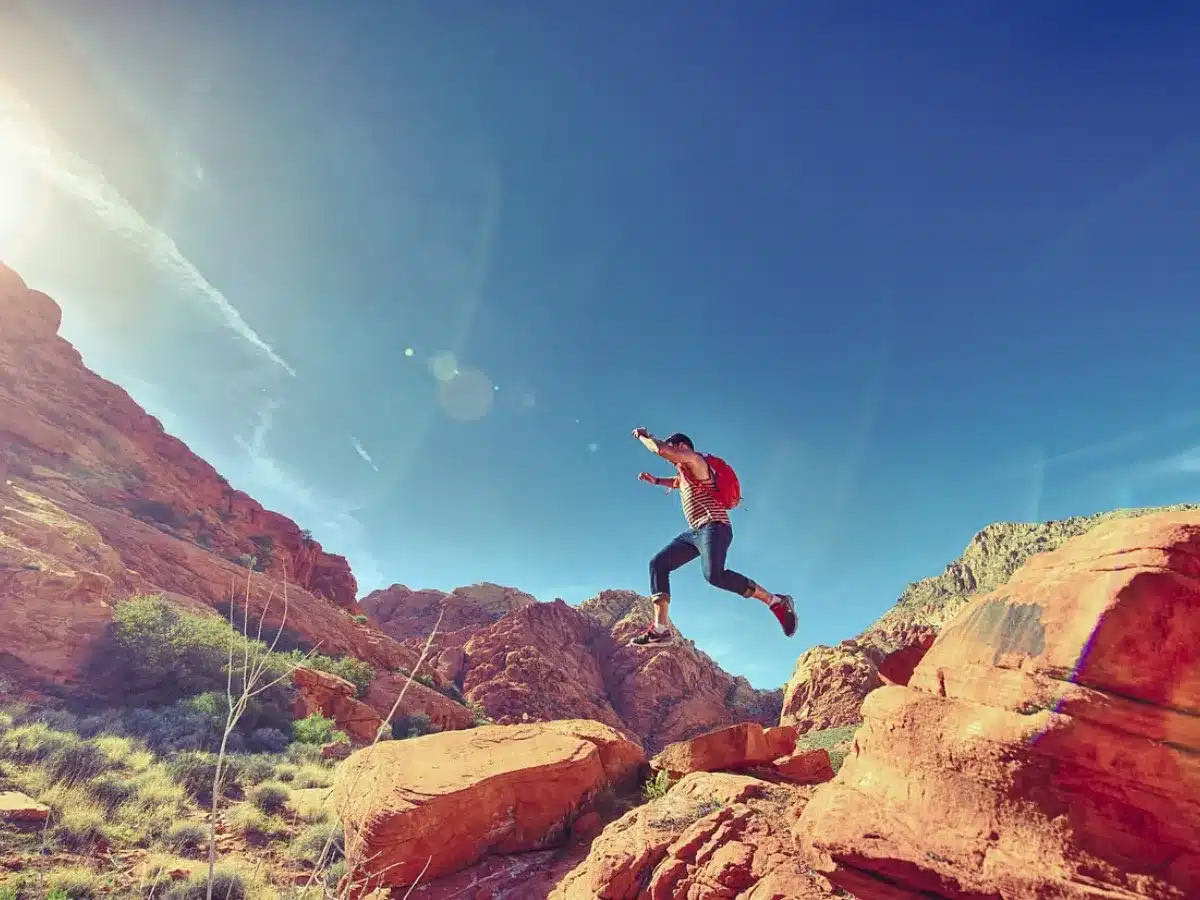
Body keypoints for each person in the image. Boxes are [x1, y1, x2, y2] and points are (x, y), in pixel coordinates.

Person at [630, 427, 797, 646]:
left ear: (682, 447)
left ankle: (775, 601)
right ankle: (661, 630)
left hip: (715, 527)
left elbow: (661, 450)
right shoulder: (685, 474)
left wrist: (645, 436)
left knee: (714, 575)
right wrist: (656, 481)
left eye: (674, 448)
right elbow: (677, 482)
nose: (672, 456)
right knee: (658, 564)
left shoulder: (696, 460)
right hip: (695, 533)